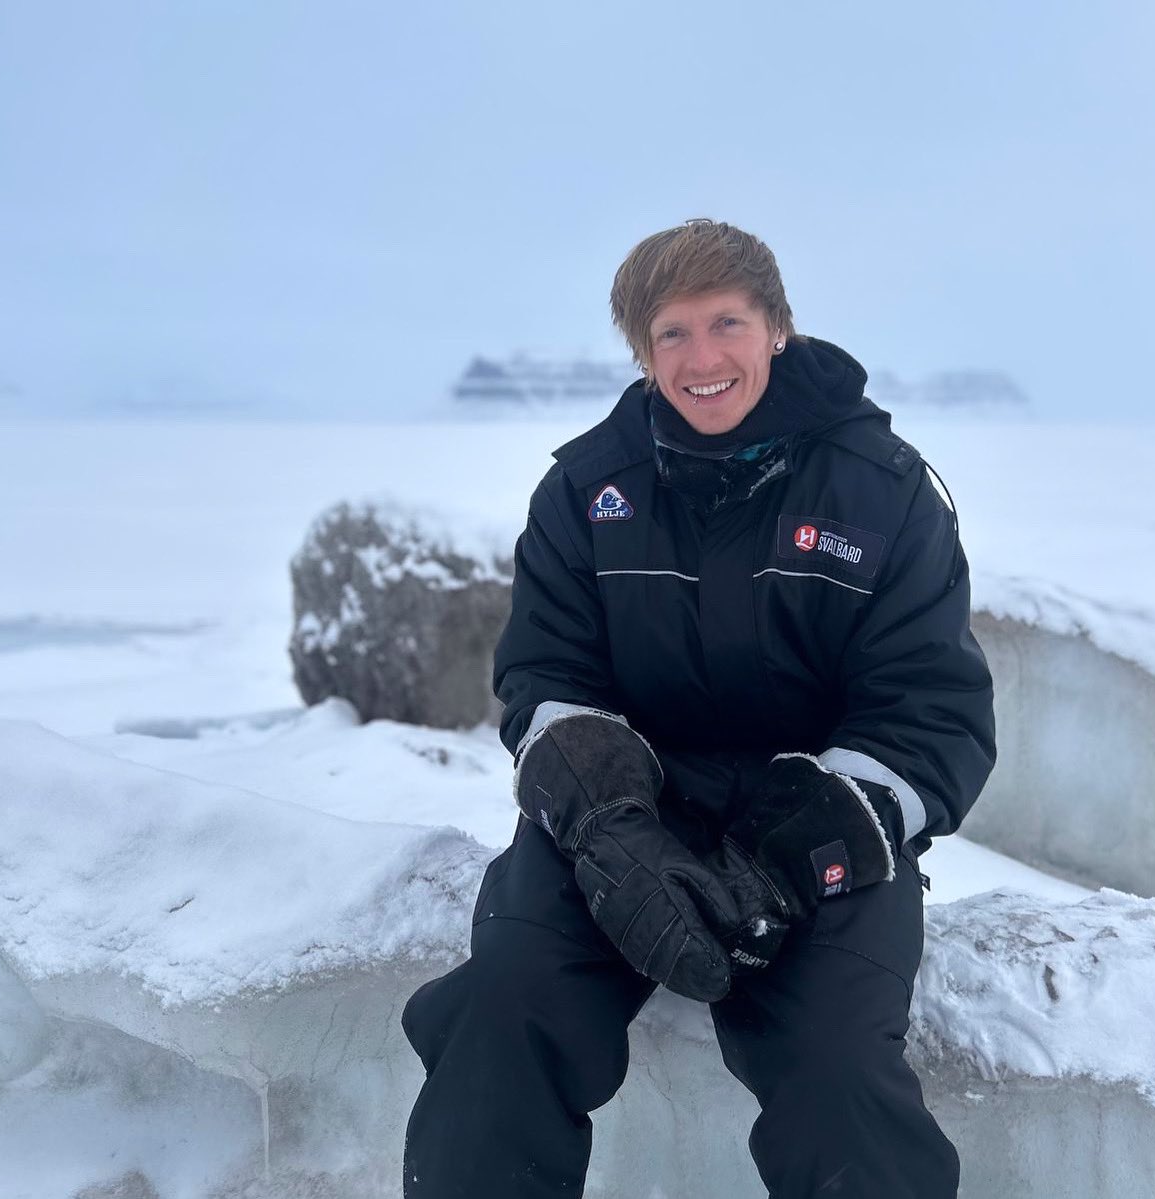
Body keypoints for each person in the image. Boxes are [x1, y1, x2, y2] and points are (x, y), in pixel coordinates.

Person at [401, 218, 996, 1198]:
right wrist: (607, 824)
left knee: (839, 1078)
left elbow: (928, 708)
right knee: (500, 1012)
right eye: (669, 333)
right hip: (624, 816)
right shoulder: (584, 490)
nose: (701, 356)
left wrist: (795, 848)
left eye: (725, 322)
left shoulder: (884, 494)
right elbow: (546, 678)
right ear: (640, 354)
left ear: (775, 328)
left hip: (819, 825)